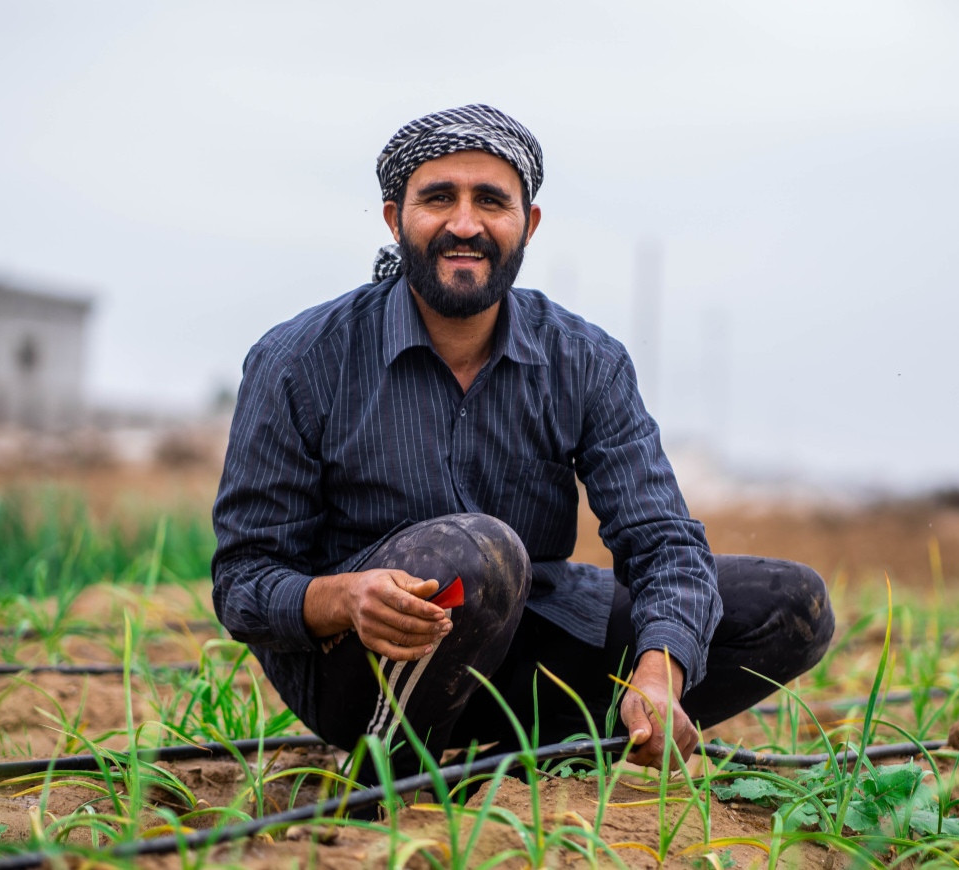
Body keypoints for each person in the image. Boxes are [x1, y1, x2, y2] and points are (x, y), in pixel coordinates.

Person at [212, 105, 833, 781]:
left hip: (526, 646)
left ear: (527, 224)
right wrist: (345, 598)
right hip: (363, 670)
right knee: (474, 554)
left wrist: (660, 669)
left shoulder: (584, 359)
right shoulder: (301, 359)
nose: (464, 223)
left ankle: (522, 770)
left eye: (491, 201)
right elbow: (245, 580)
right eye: (438, 198)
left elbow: (661, 540)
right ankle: (385, 780)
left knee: (789, 605)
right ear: (394, 218)